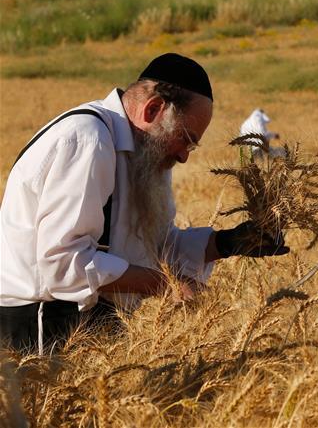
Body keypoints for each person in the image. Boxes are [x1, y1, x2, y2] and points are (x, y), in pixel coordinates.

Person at [0, 53, 289, 354]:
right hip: (36, 328)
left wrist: (227, 242)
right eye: (186, 138)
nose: (184, 156)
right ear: (153, 109)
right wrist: (166, 284)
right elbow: (62, 263)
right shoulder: (87, 140)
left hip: (91, 326)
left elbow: (155, 248)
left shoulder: (143, 154)